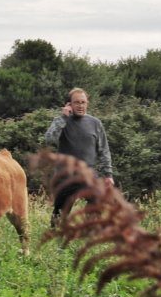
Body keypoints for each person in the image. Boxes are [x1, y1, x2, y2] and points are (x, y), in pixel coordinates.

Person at [44, 87, 114, 225]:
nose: (81, 105)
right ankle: (55, 238)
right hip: (66, 176)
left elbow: (104, 150)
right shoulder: (61, 121)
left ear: (87, 103)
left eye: (83, 102)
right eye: (77, 102)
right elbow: (49, 140)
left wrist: (108, 174)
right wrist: (63, 118)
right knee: (59, 216)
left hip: (88, 174)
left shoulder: (95, 123)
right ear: (69, 104)